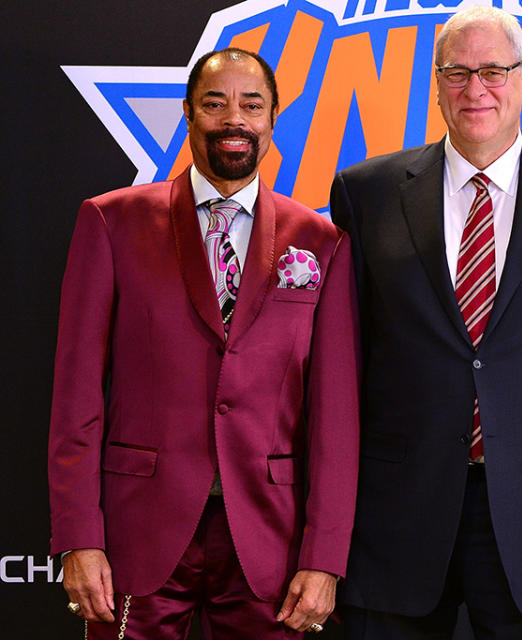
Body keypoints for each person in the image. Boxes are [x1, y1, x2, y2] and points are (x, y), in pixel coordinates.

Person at [329, 6, 522, 638]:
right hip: (395, 522)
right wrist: (328, 538)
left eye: (494, 71)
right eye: (457, 72)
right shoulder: (365, 193)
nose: (476, 90)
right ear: (435, 82)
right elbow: (342, 377)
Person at [48, 48, 360, 639]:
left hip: (270, 541)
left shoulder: (321, 241)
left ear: (272, 120)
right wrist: (78, 538)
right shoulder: (111, 223)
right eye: (215, 103)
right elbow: (76, 400)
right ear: (188, 114)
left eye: (251, 104)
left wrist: (325, 556)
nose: (233, 118)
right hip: (136, 535)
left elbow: (336, 418)